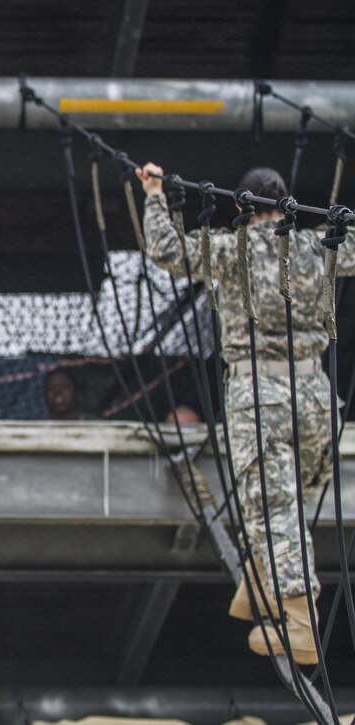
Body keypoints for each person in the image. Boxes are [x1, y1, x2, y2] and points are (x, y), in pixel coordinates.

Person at [136, 162, 355, 664]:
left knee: (272, 505)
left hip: (261, 394)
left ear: (240, 206)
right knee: (288, 495)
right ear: (287, 203)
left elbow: (168, 251)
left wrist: (155, 194)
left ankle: (299, 622)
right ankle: (261, 581)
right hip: (318, 395)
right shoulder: (319, 244)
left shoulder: (230, 248)